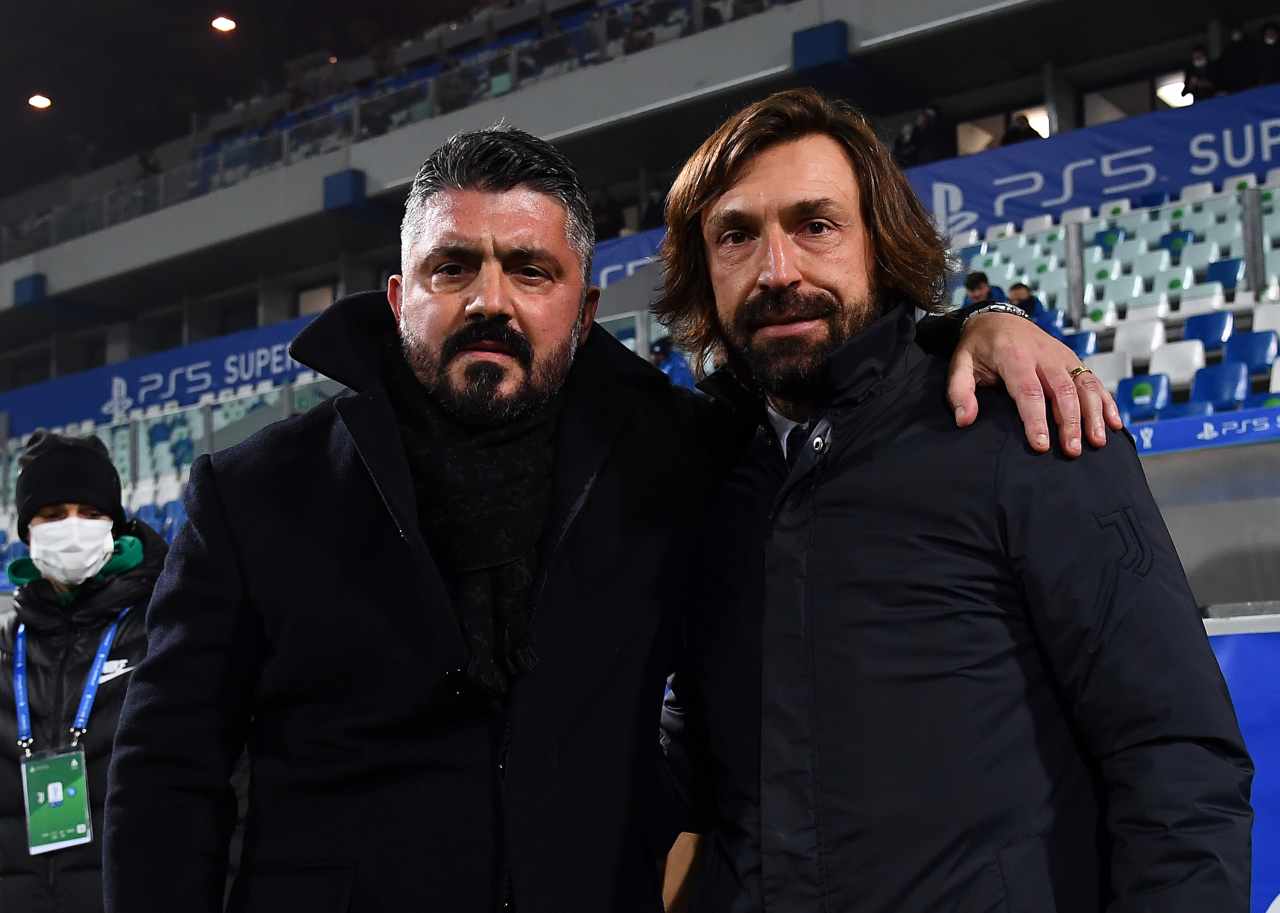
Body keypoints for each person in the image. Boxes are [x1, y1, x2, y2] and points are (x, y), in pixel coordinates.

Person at [104, 124, 1116, 913]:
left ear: (583, 307)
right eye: (452, 267)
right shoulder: (253, 492)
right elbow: (165, 774)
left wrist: (974, 324)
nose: (488, 298)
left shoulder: (673, 453)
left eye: (528, 269)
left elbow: (824, 370)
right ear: (396, 294)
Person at [658, 88, 1253, 912]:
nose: (777, 270)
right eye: (736, 235)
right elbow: (703, 759)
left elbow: (1175, 756)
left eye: (816, 224)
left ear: (879, 244)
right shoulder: (707, 476)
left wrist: (987, 317)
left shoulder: (1026, 422)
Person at [0, 433, 168, 913]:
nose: (72, 528)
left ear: (115, 525)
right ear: (27, 531)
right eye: (53, 515)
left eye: (90, 514)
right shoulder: (4, 651)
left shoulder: (163, 632)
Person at [1218, 25, 1256, 94]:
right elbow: (1224, 69)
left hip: (1250, 84)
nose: (1236, 34)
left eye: (1237, 31)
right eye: (1234, 32)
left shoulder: (1250, 46)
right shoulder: (1227, 51)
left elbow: (1254, 64)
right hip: (1234, 87)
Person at [1260, 22, 1280, 86]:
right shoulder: (1260, 51)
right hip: (1267, 84)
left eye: (1272, 33)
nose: (1270, 35)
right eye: (1268, 33)